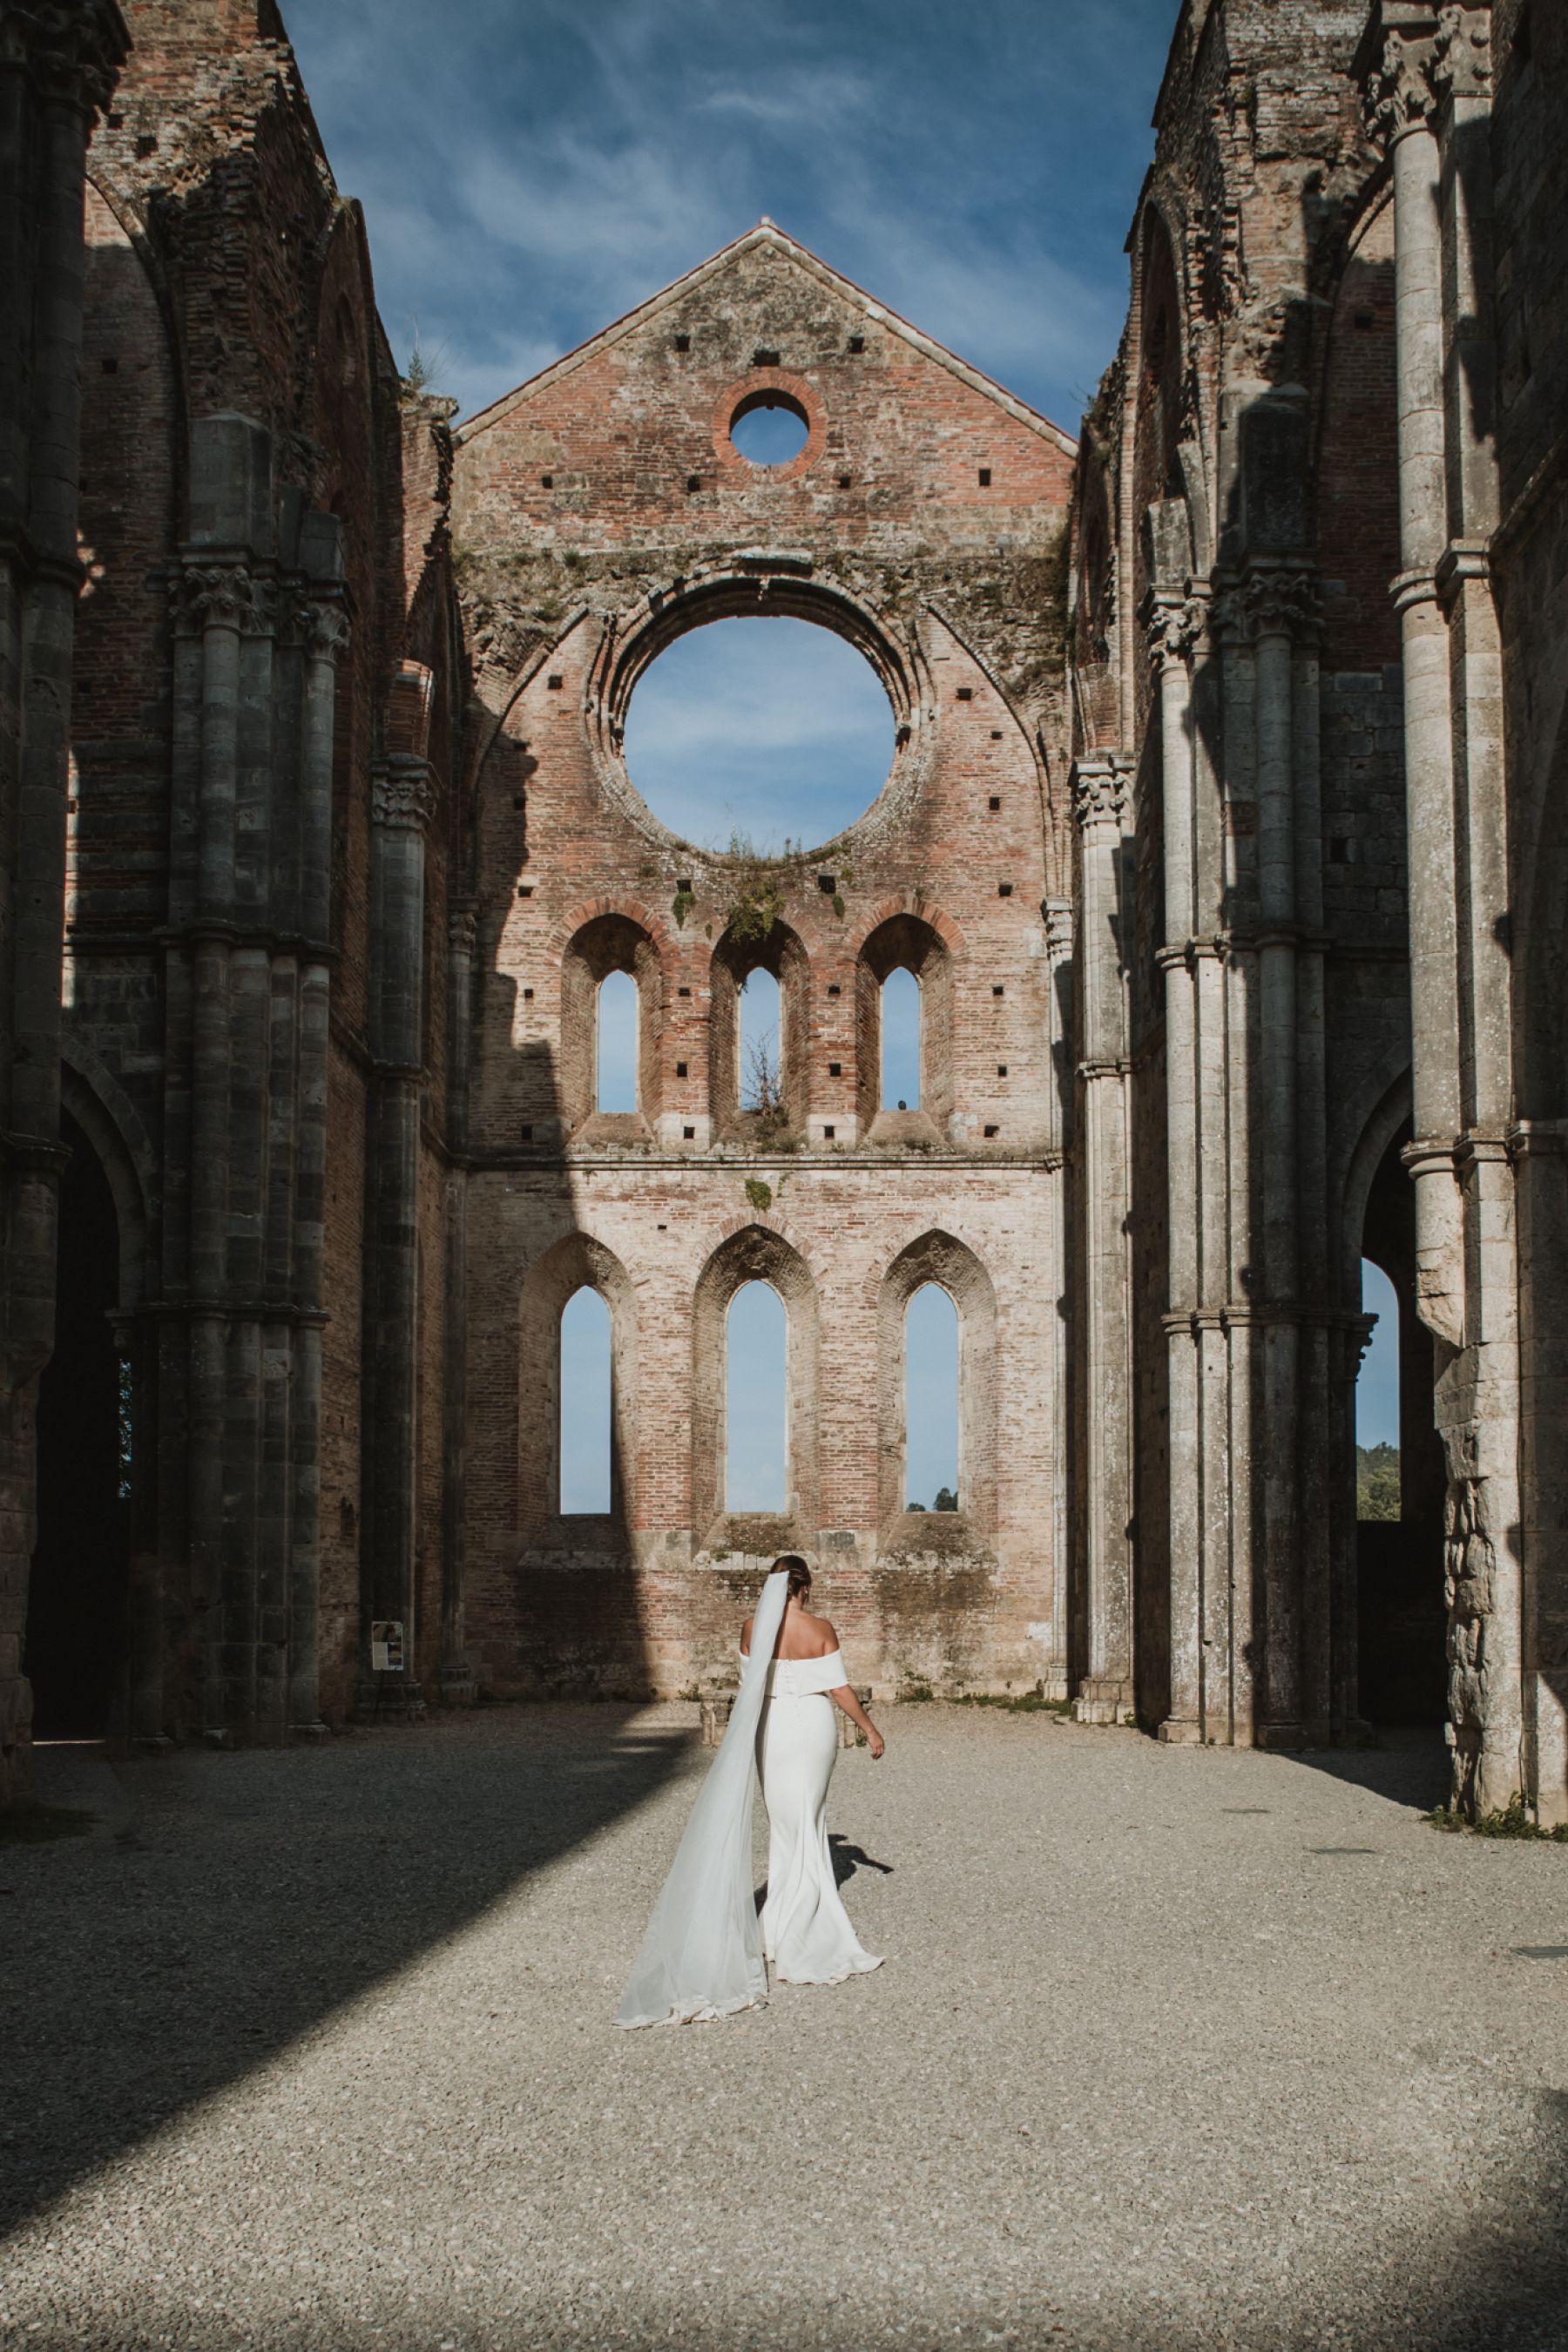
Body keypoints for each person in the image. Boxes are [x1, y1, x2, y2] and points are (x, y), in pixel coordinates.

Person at [614, 1556, 884, 2028]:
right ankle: (802, 1926)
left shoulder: (751, 1627)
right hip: (813, 1725)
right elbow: (839, 1689)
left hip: (772, 1728)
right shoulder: (821, 1627)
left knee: (784, 1822)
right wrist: (870, 1729)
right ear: (805, 1586)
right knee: (809, 1819)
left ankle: (776, 1928)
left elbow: (751, 1686)